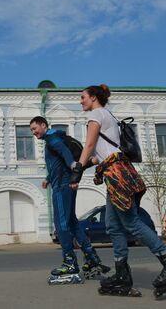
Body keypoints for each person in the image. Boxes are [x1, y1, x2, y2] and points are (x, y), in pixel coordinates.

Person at [72, 84, 166, 297]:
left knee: (131, 223)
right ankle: (122, 275)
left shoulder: (97, 115)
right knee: (113, 226)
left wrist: (78, 170)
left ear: (93, 98)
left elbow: (89, 145)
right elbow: (98, 154)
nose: (80, 101)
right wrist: (79, 164)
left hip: (117, 175)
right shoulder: (107, 115)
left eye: (83, 97)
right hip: (115, 174)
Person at [29, 116, 109, 284]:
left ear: (43, 125)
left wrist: (73, 164)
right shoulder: (54, 138)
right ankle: (91, 257)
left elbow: (64, 154)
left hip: (62, 187)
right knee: (72, 222)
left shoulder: (52, 138)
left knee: (61, 224)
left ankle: (70, 262)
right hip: (62, 183)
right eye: (31, 130)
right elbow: (56, 165)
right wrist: (48, 178)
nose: (33, 132)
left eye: (35, 128)